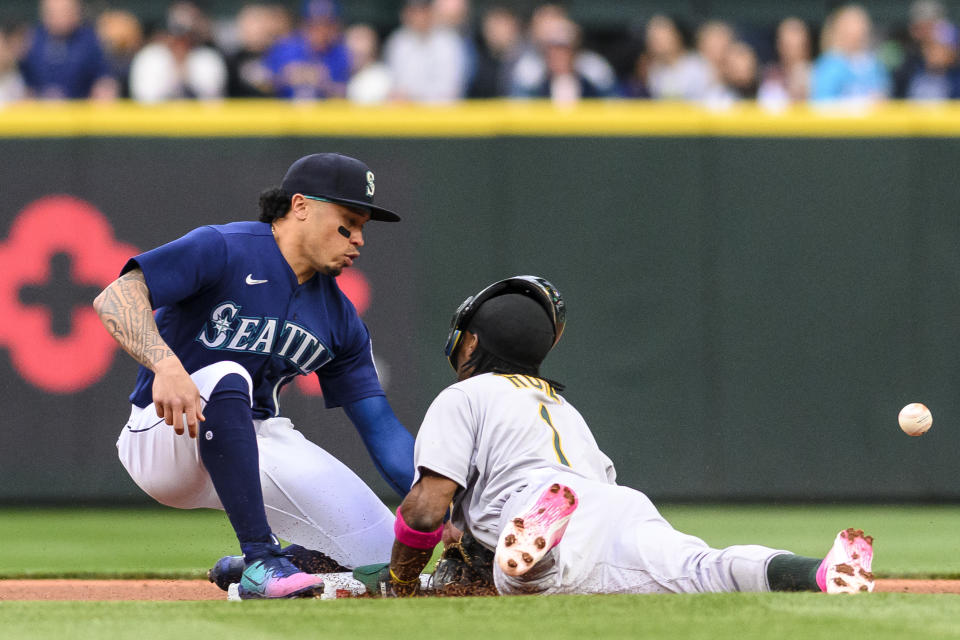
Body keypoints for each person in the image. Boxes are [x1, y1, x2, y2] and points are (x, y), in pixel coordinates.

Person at [384, 276, 875, 596]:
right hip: (616, 505)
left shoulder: (463, 396)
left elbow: (426, 506)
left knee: (523, 581)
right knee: (704, 570)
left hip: (533, 504)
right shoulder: (563, 409)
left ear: (470, 341)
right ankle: (818, 571)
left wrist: (401, 579)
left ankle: (532, 556)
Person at [93, 153, 415, 600]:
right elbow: (116, 296)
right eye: (348, 222)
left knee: (386, 550)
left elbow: (382, 429)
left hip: (253, 443)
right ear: (300, 206)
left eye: (363, 228)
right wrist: (165, 364)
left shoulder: (340, 319)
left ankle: (258, 567)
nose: (358, 239)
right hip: (165, 434)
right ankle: (263, 559)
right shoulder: (224, 248)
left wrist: (439, 500)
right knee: (226, 374)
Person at [128, 1, 228, 103]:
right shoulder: (150, 58)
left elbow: (213, 102)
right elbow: (144, 100)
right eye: (176, 38)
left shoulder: (207, 59)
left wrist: (186, 76)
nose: (180, 44)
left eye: (185, 38)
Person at [19, 0, 117, 100]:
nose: (59, 18)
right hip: (40, 110)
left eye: (64, 11)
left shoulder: (90, 41)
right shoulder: (32, 40)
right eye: (53, 12)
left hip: (80, 110)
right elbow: (24, 83)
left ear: (76, 12)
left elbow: (105, 82)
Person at [264, 0, 350, 99]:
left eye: (326, 25)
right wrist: (286, 77)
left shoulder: (341, 53)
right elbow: (263, 83)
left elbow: (350, 92)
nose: (320, 30)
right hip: (283, 111)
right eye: (314, 25)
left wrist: (323, 83)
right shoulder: (285, 48)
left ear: (335, 27)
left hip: (326, 112)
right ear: (304, 24)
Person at [810, 4, 889, 103]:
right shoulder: (829, 64)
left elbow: (885, 94)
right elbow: (822, 102)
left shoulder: (874, 63)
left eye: (861, 25)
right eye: (851, 26)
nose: (858, 31)